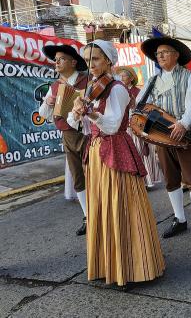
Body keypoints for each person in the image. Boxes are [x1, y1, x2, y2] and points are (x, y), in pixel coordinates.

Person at [69, 40, 165, 286]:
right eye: (88, 60)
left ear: (109, 61)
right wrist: (77, 110)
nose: (91, 65)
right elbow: (72, 123)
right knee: (102, 207)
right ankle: (108, 264)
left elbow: (112, 124)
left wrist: (91, 113)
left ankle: (133, 267)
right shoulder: (91, 87)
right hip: (96, 150)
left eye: (97, 59)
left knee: (122, 206)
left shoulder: (118, 89)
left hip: (116, 150)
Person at [139, 36, 191, 241]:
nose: (160, 56)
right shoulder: (152, 81)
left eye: (165, 52)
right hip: (161, 137)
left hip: (184, 134)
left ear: (176, 55)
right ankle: (180, 218)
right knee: (171, 179)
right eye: (158, 54)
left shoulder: (188, 76)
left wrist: (183, 123)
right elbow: (141, 104)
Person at [39, 44, 89, 236]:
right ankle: (87, 216)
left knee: (96, 173)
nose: (56, 62)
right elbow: (43, 114)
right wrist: (48, 103)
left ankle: (103, 212)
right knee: (78, 175)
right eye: (56, 60)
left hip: (88, 133)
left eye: (61, 59)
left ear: (73, 62)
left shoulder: (87, 82)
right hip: (68, 135)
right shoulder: (55, 86)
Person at [117, 66, 163, 188]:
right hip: (127, 128)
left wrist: (133, 107)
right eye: (119, 76)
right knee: (133, 155)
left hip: (137, 127)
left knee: (142, 154)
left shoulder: (137, 92)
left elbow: (143, 111)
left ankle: (147, 181)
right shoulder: (121, 91)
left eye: (124, 76)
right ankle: (139, 182)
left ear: (131, 78)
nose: (121, 78)